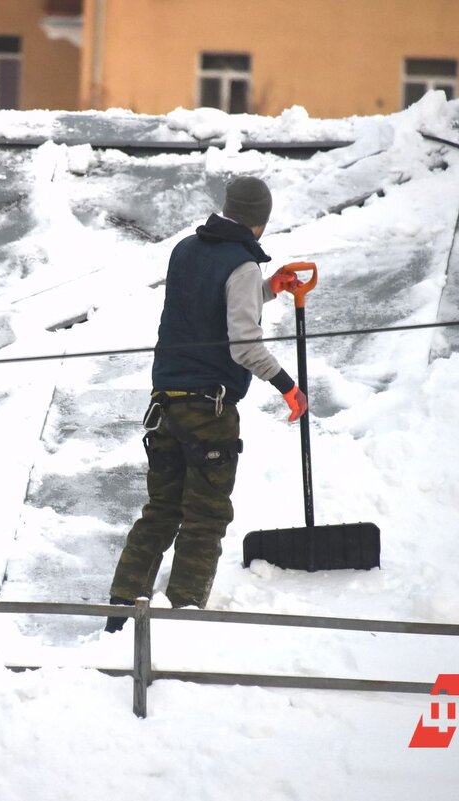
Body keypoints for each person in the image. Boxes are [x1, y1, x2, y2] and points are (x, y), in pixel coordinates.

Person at [105, 175, 307, 632]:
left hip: (164, 404)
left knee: (161, 512)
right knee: (204, 517)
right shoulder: (242, 265)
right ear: (261, 222)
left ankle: (118, 617)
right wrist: (288, 387)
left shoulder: (185, 250)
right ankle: (183, 622)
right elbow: (244, 346)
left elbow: (208, 307)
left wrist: (270, 287)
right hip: (208, 411)